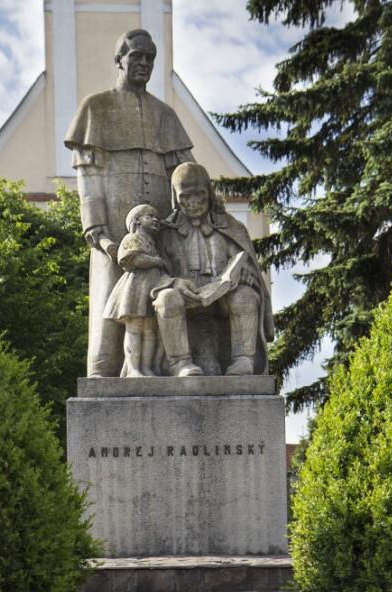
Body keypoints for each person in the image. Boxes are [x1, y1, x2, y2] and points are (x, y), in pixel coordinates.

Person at [64, 29, 194, 377]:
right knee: (111, 302)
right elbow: (88, 182)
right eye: (136, 56)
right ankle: (104, 370)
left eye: (150, 58)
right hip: (114, 233)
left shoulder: (165, 115)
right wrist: (98, 233)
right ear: (119, 59)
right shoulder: (95, 108)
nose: (144, 63)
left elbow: (183, 173)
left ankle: (164, 366)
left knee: (160, 300)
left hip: (160, 230)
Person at [152, 162, 274, 376]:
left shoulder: (231, 227)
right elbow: (153, 273)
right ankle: (180, 363)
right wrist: (174, 283)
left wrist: (245, 275)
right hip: (184, 298)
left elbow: (246, 264)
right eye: (185, 197)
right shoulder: (165, 232)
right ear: (176, 198)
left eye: (199, 195)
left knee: (246, 296)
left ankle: (243, 360)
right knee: (166, 299)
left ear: (208, 192)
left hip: (222, 299)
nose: (193, 203)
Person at [103, 204, 167, 377]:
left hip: (150, 288)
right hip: (135, 288)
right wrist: (156, 261)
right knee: (134, 329)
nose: (155, 219)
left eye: (156, 217)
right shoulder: (132, 238)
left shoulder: (151, 243)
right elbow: (134, 259)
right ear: (137, 220)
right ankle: (133, 369)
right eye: (149, 216)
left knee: (149, 330)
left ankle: (146, 368)